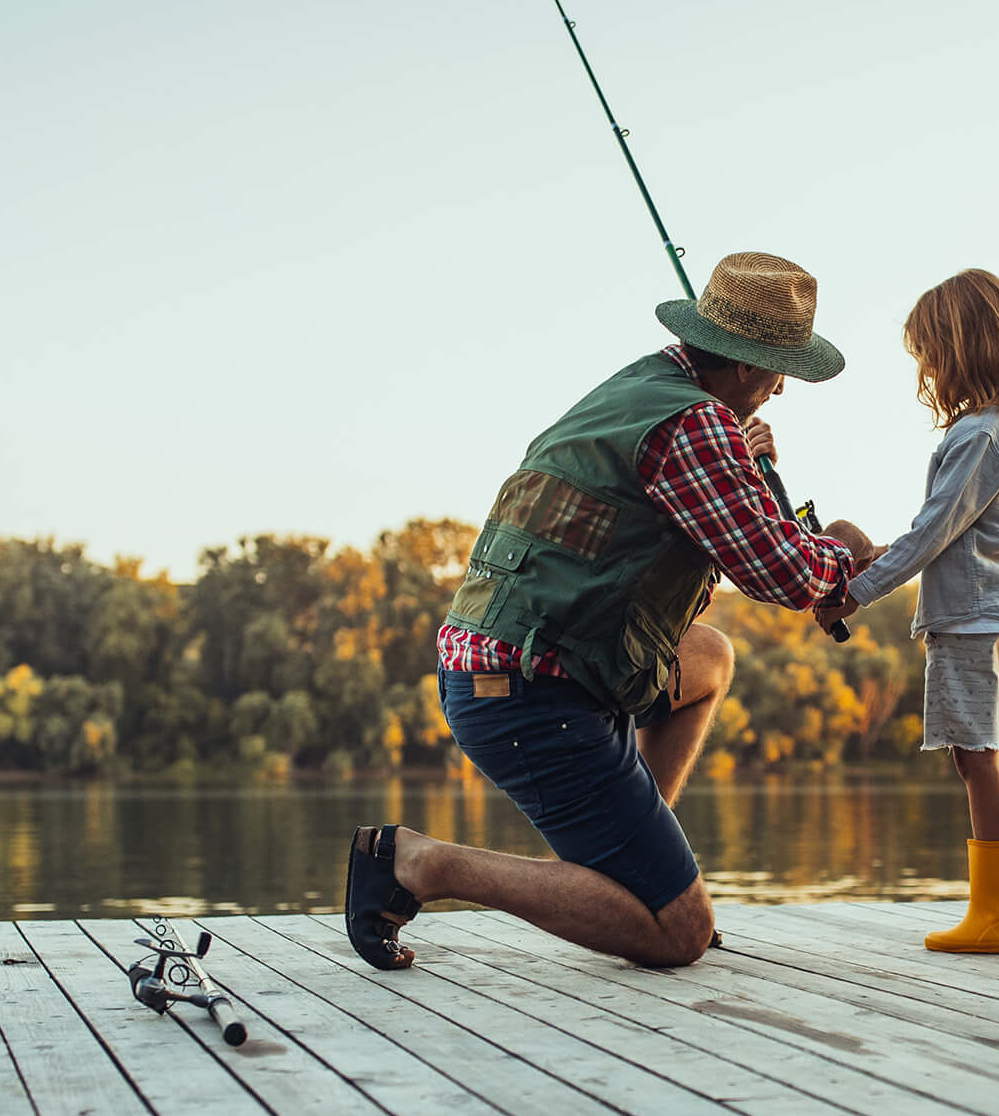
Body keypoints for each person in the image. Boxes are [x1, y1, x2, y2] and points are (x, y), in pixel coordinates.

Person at [343, 252, 858, 971]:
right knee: (677, 937)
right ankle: (421, 864)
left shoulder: (646, 386)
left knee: (707, 656)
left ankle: (647, 866)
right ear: (746, 366)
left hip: (519, 662)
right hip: (530, 694)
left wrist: (743, 465)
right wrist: (846, 555)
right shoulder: (697, 427)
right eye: (782, 372)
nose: (781, 390)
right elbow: (783, 573)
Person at [818, 269, 999, 954]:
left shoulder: (980, 434)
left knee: (976, 760)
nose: (926, 367)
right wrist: (883, 556)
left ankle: (993, 917)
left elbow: (934, 532)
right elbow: (960, 529)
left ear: (962, 349)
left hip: (970, 619)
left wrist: (858, 592)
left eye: (929, 351)